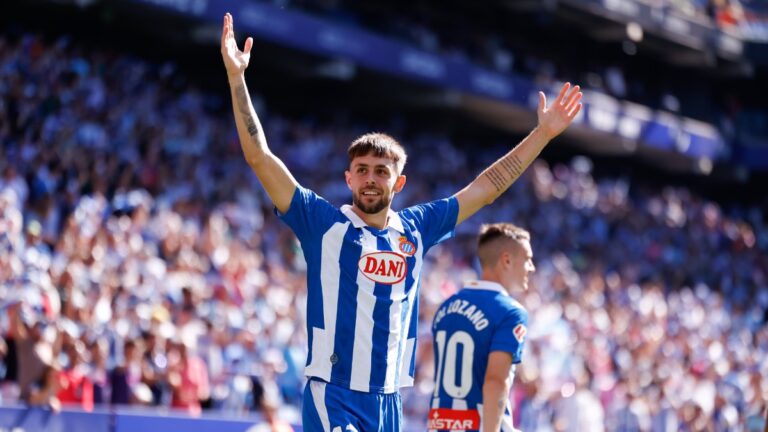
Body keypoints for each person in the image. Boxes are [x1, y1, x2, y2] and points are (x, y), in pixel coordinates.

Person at [220, 12, 581, 431]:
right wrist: (236, 78)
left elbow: (486, 188)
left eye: (381, 171)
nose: (371, 179)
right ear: (348, 177)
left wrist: (543, 135)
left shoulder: (416, 228)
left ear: (399, 181)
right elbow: (260, 157)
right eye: (363, 170)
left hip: (388, 400)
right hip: (332, 394)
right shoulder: (320, 222)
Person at [429, 223, 533, 432]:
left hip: (440, 425)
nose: (532, 267)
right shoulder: (510, 312)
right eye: (528, 259)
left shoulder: (446, 307)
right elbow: (496, 381)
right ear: (507, 260)